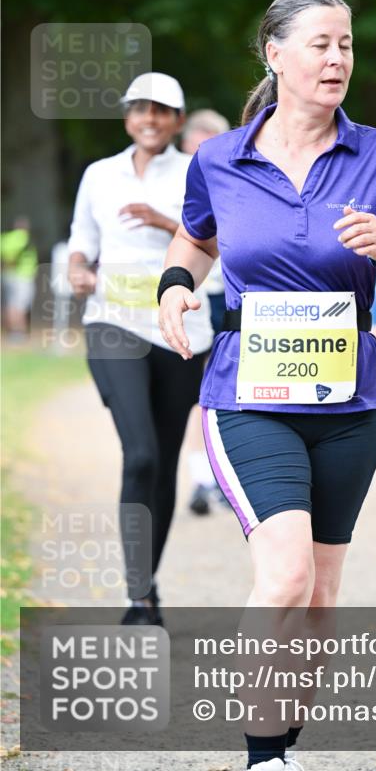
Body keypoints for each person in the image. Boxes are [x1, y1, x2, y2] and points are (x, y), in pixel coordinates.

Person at [157, 0, 376, 771]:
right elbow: (193, 240)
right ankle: (260, 755)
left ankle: (282, 741)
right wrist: (173, 286)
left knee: (319, 595)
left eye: (346, 44)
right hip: (248, 395)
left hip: (348, 402)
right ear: (274, 54)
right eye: (321, 44)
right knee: (284, 575)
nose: (338, 58)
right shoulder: (221, 158)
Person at [67, 72, 212, 625]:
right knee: (142, 454)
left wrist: (162, 221)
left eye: (160, 111)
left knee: (165, 461)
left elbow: (218, 244)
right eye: (139, 110)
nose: (149, 119)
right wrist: (78, 270)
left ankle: (146, 587)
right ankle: (137, 594)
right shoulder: (100, 175)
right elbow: (82, 240)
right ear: (128, 117)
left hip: (179, 331)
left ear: (177, 120)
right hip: (113, 324)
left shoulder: (198, 172)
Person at [180, 109, 232, 515]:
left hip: (228, 294)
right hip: (193, 295)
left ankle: (225, 477)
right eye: (195, 142)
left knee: (229, 391)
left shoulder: (232, 174)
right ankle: (202, 478)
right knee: (201, 394)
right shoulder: (173, 178)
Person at [1, 216, 38, 340]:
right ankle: (19, 332)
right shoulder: (22, 238)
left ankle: (12, 332)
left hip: (8, 275)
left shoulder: (6, 238)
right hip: (21, 276)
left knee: (10, 304)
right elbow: (11, 257)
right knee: (20, 306)